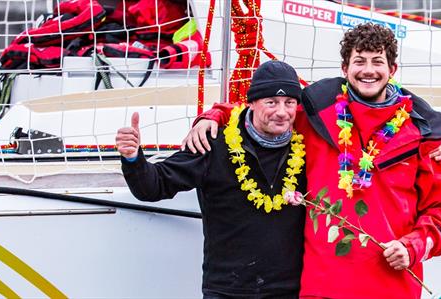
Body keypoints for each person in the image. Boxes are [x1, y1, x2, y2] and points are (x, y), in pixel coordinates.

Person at [187, 23, 441, 298]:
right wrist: (214, 115)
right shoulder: (317, 117)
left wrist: (413, 247)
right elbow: (265, 113)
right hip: (323, 288)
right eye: (359, 61)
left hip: (391, 288)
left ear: (392, 70)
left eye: (377, 61)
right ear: (344, 69)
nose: (368, 70)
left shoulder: (420, 133)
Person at [116, 60, 307, 298]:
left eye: (289, 102)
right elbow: (153, 187)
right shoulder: (211, 142)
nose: (281, 111)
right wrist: (133, 158)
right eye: (271, 102)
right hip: (227, 290)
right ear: (251, 103)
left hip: (288, 290)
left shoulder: (307, 148)